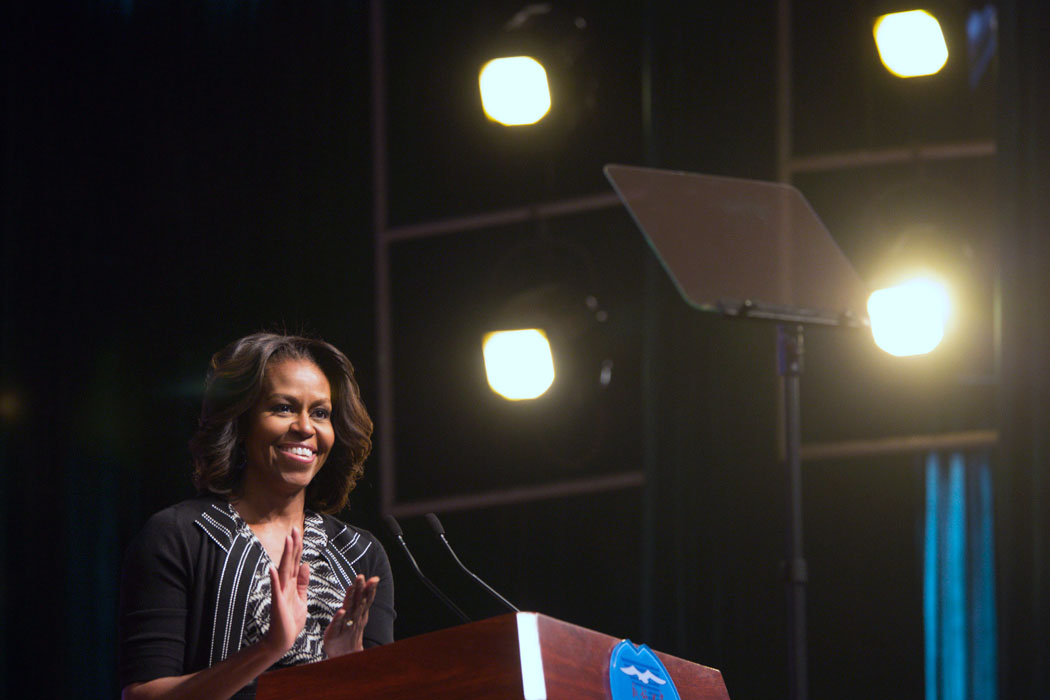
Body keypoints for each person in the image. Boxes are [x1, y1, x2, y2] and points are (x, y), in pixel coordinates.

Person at [118, 332, 394, 700]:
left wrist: (347, 663)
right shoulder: (179, 536)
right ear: (241, 421)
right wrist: (269, 647)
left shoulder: (359, 553)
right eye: (283, 408)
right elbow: (142, 696)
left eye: (320, 413)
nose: (305, 428)